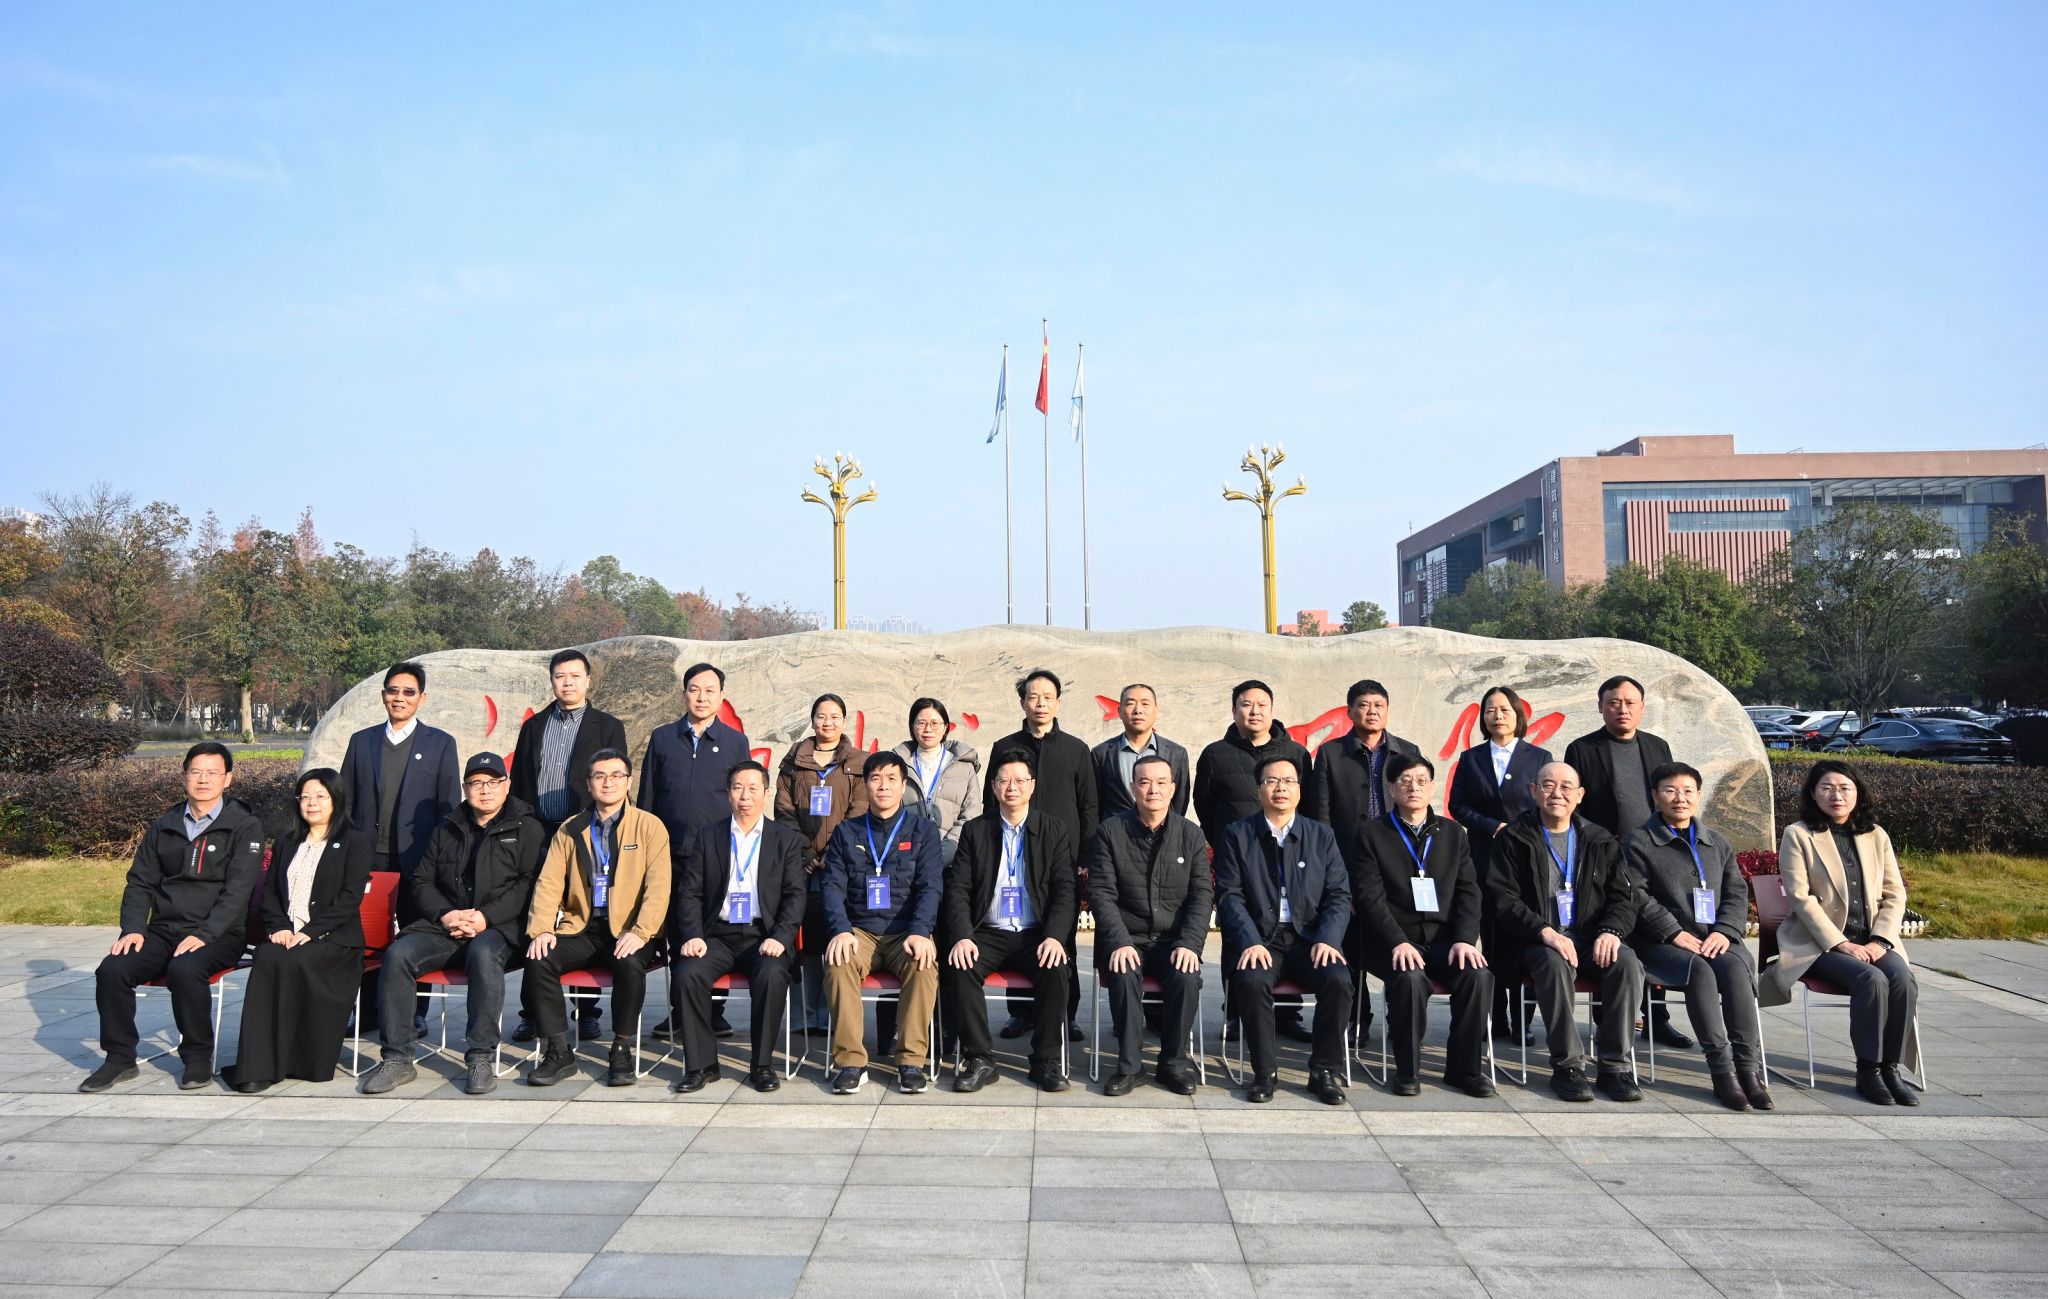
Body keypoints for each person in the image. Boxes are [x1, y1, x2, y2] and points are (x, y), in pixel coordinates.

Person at [359, 753, 548, 1096]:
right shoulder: (447, 827)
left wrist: (485, 917)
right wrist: (446, 915)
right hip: (447, 926)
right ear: (465, 788)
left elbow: (529, 884)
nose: (485, 790)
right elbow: (422, 881)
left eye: (493, 782)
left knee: (483, 954)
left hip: (502, 928)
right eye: (476, 783)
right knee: (398, 956)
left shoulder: (528, 828)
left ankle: (480, 1056)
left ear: (506, 786)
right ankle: (397, 1058)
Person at [82, 742, 265, 1093]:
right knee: (112, 969)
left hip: (220, 933)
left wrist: (206, 934)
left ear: (228, 779)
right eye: (196, 772)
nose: (203, 780)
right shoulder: (165, 825)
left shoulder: (244, 826)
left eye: (212, 773)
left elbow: (239, 890)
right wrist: (133, 929)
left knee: (185, 969)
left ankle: (197, 1058)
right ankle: (119, 1058)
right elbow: (140, 882)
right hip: (164, 930)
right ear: (184, 776)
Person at [1762, 761, 1921, 1106]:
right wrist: (1841, 943)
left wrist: (1881, 940)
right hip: (1820, 945)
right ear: (1813, 794)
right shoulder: (1798, 834)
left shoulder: (1875, 834)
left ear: (1858, 793)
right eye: (1827, 788)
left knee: (1902, 979)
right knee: (1870, 979)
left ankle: (1890, 1068)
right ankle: (1868, 1070)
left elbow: (1895, 894)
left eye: (1845, 788)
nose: (1837, 795)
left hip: (1874, 941)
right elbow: (1801, 899)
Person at [1486, 761, 1644, 1103]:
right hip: (1534, 941)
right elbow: (1502, 899)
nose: (1556, 793)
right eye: (1547, 785)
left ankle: (1614, 1067)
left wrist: (1611, 931)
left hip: (1589, 939)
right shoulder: (1513, 837)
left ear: (1580, 795)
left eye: (1566, 787)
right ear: (1534, 791)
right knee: (1553, 963)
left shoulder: (1600, 839)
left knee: (1627, 963)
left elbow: (1624, 897)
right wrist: (1544, 931)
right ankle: (1568, 1066)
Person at [1624, 762, 1773, 1112]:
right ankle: (1722, 1072)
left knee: (1736, 968)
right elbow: (1636, 895)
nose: (1680, 798)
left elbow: (1736, 891)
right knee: (1699, 971)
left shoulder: (1715, 842)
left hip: (1714, 940)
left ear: (1698, 796)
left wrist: (1725, 931)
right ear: (1655, 796)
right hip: (1661, 943)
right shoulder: (1639, 842)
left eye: (1688, 791)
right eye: (1670, 791)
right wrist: (1672, 932)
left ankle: (1748, 1070)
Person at [521, 749, 671, 1089]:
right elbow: (549, 882)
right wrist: (542, 928)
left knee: (629, 963)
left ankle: (621, 1047)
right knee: (539, 958)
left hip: (629, 930)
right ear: (588, 784)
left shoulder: (649, 826)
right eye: (600, 776)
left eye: (617, 775)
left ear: (629, 782)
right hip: (582, 927)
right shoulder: (571, 829)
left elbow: (659, 886)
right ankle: (558, 1050)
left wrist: (641, 931)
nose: (608, 782)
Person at [1349, 754, 1495, 1098]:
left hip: (1443, 941)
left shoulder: (1453, 834)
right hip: (1392, 942)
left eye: (1421, 780)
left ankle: (1464, 1069)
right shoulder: (1372, 834)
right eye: (1404, 780)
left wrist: (1464, 940)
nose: (1413, 787)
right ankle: (1407, 1070)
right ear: (1391, 788)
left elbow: (1468, 891)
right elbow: (1370, 898)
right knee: (1411, 979)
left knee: (1478, 976)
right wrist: (1397, 941)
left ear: (1432, 787)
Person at [1214, 752, 1353, 1105]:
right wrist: (1249, 941)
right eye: (1271, 781)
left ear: (1299, 790)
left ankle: (1324, 1071)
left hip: (1310, 939)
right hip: (1262, 939)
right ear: (1258, 790)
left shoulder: (1321, 835)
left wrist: (1329, 938)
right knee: (1251, 980)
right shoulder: (1237, 835)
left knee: (1339, 980)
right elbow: (1229, 896)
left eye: (1288, 781)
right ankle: (1265, 1072)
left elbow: (1339, 894)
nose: (1280, 788)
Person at [1563, 674, 1690, 1051]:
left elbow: (1666, 798)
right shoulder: (1582, 749)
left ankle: (1657, 1018)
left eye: (1630, 702)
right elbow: (1575, 806)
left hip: (1651, 855)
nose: (1622, 709)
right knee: (1608, 932)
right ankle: (1608, 1019)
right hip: (1603, 857)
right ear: (1601, 706)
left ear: (1642, 707)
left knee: (1653, 930)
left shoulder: (1657, 746)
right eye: (1614, 702)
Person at [509, 649, 629, 1044]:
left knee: (585, 915)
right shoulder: (535, 726)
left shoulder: (607, 726)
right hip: (539, 832)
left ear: (588, 680)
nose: (568, 683)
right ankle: (532, 1011)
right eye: (561, 676)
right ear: (552, 681)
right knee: (537, 914)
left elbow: (615, 779)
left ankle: (587, 1010)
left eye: (575, 676)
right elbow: (521, 780)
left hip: (587, 832)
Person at [229, 768, 373, 1093]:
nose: (311, 803)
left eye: (320, 796)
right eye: (305, 797)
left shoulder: (355, 842)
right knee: (267, 956)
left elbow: (350, 898)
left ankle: (301, 1061)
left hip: (334, 939)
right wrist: (278, 927)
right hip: (288, 935)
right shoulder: (287, 842)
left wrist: (312, 931)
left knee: (289, 960)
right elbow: (269, 893)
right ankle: (257, 1066)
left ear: (336, 800)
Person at [942, 752, 1078, 1093]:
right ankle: (979, 1058)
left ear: (1032, 786)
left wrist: (1055, 937)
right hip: (988, 931)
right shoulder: (976, 830)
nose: (1011, 787)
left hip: (1036, 934)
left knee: (1056, 969)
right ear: (993, 786)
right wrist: (963, 936)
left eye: (1019, 780)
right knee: (960, 966)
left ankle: (1045, 1060)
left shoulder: (1053, 830)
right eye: (1004, 780)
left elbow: (1065, 890)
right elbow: (958, 888)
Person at [674, 760, 807, 1093]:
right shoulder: (709, 835)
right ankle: (702, 1065)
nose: (745, 796)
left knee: (772, 975)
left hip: (764, 935)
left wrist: (781, 937)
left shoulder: (786, 839)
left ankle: (762, 1065)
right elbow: (689, 892)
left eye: (752, 788)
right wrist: (693, 935)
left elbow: (795, 895)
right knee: (688, 973)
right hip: (717, 935)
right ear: (728, 793)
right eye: (737, 788)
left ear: (766, 793)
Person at [820, 751, 944, 1095]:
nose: (883, 786)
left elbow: (931, 886)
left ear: (903, 786)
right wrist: (841, 930)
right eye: (875, 779)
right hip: (860, 931)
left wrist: (921, 931)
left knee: (923, 964)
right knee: (838, 961)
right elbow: (832, 886)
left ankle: (910, 1062)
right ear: (866, 785)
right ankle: (851, 1063)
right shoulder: (846, 831)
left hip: (906, 932)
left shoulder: (924, 831)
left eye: (891, 779)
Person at [1196, 679, 1313, 1043]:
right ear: (1234, 711)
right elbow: (1204, 805)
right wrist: (1227, 844)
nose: (1254, 711)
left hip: (1289, 859)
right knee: (1236, 933)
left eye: (1262, 704)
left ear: (1272, 710)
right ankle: (1234, 1013)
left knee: (1291, 931)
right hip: (1238, 862)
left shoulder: (1296, 753)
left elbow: (1307, 805)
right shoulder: (1215, 754)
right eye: (1246, 705)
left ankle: (1288, 1014)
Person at [981, 669, 1094, 1042]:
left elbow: (1089, 807)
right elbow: (989, 803)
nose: (1040, 703)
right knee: (1015, 931)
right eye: (1033, 696)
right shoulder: (1005, 746)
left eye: (1047, 697)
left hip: (1061, 861)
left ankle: (1065, 1014)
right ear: (1022, 702)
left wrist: (1084, 856)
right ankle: (1021, 1014)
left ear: (1058, 702)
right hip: (1013, 856)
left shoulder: (1076, 750)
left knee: (1061, 938)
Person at [1089, 753, 1211, 1096]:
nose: (1152, 789)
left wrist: (1190, 944)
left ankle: (1173, 1064)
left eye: (1160, 783)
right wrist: (1119, 941)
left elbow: (1202, 895)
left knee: (1186, 976)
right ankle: (1130, 1067)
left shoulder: (1191, 835)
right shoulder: (1110, 832)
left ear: (1173, 789)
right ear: (1133, 788)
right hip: (1128, 937)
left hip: (1173, 940)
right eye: (1144, 782)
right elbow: (1101, 893)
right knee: (1123, 971)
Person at [641, 662, 750, 1043]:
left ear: (722, 696)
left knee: (714, 931)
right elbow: (648, 796)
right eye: (694, 689)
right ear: (684, 693)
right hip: (669, 853)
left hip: (717, 854)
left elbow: (743, 798)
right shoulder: (663, 738)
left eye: (710, 690)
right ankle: (680, 1011)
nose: (701, 697)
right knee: (678, 933)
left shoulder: (735, 742)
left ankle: (713, 1012)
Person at [1449, 685, 1553, 1039]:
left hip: (1526, 858)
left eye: (1505, 709)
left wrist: (1519, 831)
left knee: (1525, 933)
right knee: (1489, 937)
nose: (1497, 716)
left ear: (1518, 714)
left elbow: (1547, 804)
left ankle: (1523, 1021)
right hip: (1483, 856)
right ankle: (1494, 1017)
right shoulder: (1471, 758)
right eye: (1490, 710)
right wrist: (1492, 826)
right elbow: (1458, 806)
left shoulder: (1539, 757)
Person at [336, 661, 459, 922]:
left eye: (409, 692)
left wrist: (437, 856)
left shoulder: (441, 744)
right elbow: (344, 801)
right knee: (367, 927)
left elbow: (448, 806)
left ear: (422, 698)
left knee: (413, 928)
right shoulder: (361, 741)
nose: (399, 698)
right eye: (393, 691)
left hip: (418, 856)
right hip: (368, 854)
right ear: (384, 695)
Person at [776, 693, 867, 1040]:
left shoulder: (858, 762)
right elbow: (784, 810)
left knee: (836, 935)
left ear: (844, 721)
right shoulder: (794, 760)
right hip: (801, 865)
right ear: (812, 720)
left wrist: (833, 853)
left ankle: (830, 1015)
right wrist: (805, 851)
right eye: (821, 716)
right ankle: (803, 1016)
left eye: (834, 716)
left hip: (841, 864)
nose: (827, 722)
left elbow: (859, 810)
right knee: (803, 940)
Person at [1303, 678, 1421, 835]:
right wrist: (1326, 845)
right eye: (1364, 705)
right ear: (1349, 712)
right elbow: (1321, 809)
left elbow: (1419, 801)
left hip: (1397, 841)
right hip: (1348, 844)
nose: (1372, 711)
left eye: (1379, 705)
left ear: (1387, 711)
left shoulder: (1408, 751)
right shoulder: (1330, 753)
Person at [896, 697, 983, 866]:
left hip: (953, 862)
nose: (928, 729)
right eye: (921, 723)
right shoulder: (897, 765)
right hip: (906, 860)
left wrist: (943, 854)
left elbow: (971, 815)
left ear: (945, 727)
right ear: (912, 727)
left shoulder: (964, 767)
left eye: (935, 723)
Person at [1090, 683, 1191, 820]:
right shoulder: (1101, 754)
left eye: (1145, 704)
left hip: (1161, 832)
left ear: (1156, 711)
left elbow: (1179, 802)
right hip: (1115, 831)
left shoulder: (1176, 753)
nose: (1138, 710)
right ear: (1119, 711)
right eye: (1130, 704)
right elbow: (1095, 803)